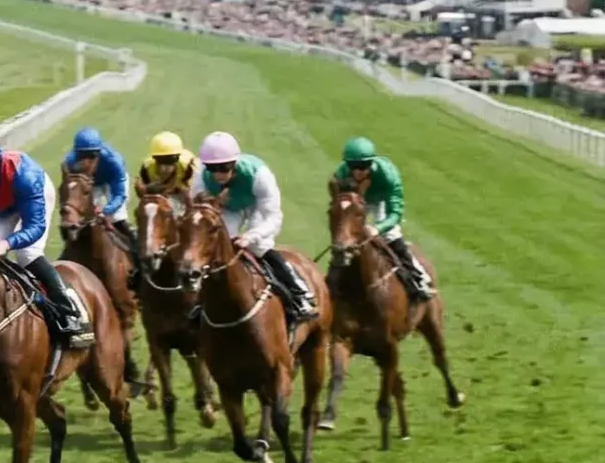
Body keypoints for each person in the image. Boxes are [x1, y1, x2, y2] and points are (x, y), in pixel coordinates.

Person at [0, 121, 92, 347]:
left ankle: (69, 312)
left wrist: (6, 244)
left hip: (33, 197)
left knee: (27, 255)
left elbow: (35, 227)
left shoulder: (26, 176)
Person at [192, 131, 318, 323]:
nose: (218, 174)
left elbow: (273, 216)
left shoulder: (259, 175)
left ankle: (300, 294)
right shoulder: (201, 176)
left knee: (258, 247)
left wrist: (252, 235)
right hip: (226, 208)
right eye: (212, 168)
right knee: (217, 249)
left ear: (234, 163)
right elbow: (198, 211)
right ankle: (201, 303)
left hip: (256, 205)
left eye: (224, 168)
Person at [333, 137, 433, 298]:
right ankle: (334, 281)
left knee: (390, 234)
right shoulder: (342, 174)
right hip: (357, 201)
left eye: (363, 166)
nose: (358, 171)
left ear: (371, 163)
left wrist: (377, 228)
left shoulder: (388, 175)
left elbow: (395, 213)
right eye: (353, 166)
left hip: (381, 200)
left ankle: (418, 277)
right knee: (345, 237)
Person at [60, 125, 140, 264]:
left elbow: (119, 195)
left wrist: (106, 210)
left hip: (111, 184)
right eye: (82, 156)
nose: (87, 161)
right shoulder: (69, 162)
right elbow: (68, 191)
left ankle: (137, 256)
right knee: (76, 220)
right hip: (89, 184)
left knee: (117, 218)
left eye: (92, 156)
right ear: (76, 154)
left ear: (99, 153)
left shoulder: (114, 162)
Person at [135, 131, 196, 197]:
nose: (166, 167)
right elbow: (144, 196)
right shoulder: (147, 168)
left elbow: (193, 193)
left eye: (170, 161)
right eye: (161, 160)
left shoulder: (187, 166)